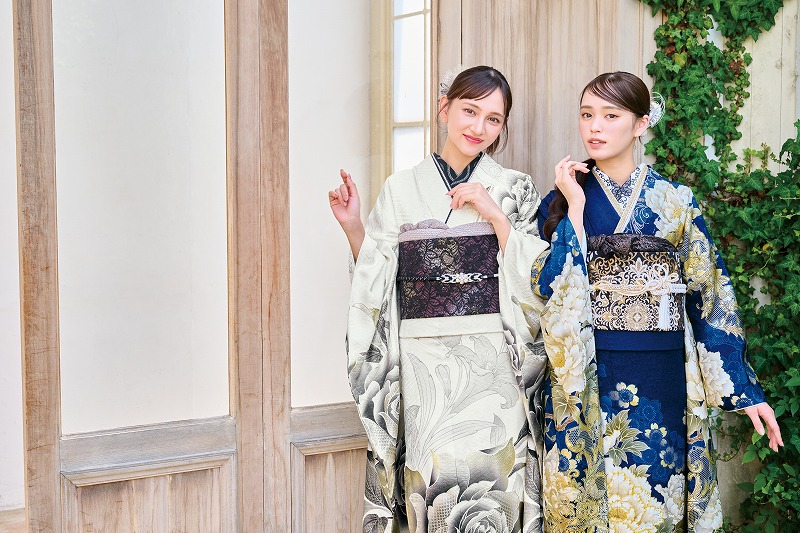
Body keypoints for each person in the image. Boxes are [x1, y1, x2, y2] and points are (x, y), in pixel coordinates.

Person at [532, 71, 783, 533]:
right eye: (587, 114)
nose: (595, 126)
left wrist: (745, 392)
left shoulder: (675, 201)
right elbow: (546, 287)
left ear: (641, 123)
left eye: (611, 115)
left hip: (661, 374)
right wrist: (575, 209)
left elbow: (709, 295)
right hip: (584, 369)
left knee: (653, 506)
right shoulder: (563, 197)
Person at [329, 66, 550, 533]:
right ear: (444, 109)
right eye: (470, 111)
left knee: (499, 492)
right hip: (424, 369)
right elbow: (377, 283)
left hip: (495, 368)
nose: (479, 127)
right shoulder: (400, 188)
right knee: (433, 496)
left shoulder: (516, 188)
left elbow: (538, 281)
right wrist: (353, 228)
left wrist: (496, 216)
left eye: (493, 119)